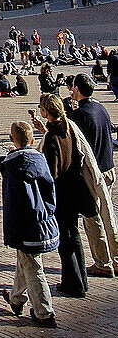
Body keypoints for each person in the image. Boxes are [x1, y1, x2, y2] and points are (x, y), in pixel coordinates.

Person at [0, 120, 59, 327]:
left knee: (33, 266)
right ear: (32, 140)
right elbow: (51, 193)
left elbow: (12, 203)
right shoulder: (40, 161)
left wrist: (12, 233)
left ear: (11, 140)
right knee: (25, 261)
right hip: (44, 221)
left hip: (26, 226)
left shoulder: (12, 168)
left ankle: (44, 312)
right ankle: (16, 299)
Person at [34, 94, 89, 298]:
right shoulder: (67, 129)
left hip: (62, 193)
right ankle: (81, 279)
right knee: (74, 236)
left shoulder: (52, 137)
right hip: (74, 189)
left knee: (65, 240)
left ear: (46, 111)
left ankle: (72, 283)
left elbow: (52, 171)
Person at [70, 73, 118, 277]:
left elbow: (75, 146)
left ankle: (102, 262)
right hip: (109, 167)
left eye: (72, 87)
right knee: (108, 214)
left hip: (93, 172)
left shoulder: (79, 116)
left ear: (78, 90)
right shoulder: (101, 108)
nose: (71, 90)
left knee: (93, 218)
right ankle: (116, 258)